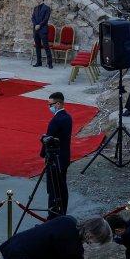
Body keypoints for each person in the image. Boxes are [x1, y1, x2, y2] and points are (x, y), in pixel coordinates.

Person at [41, 91, 72, 219]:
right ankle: (62, 212)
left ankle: (53, 216)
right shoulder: (68, 117)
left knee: (53, 189)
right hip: (64, 157)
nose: (49, 107)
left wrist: (43, 154)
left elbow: (49, 140)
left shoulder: (56, 120)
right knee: (62, 187)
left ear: (58, 104)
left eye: (50, 104)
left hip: (55, 159)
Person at [31, 0, 52, 68]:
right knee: (37, 46)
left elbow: (46, 19)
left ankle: (50, 63)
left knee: (46, 46)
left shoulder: (47, 8)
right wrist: (35, 25)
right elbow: (33, 18)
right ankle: (39, 62)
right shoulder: (35, 8)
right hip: (36, 30)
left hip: (43, 29)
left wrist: (39, 25)